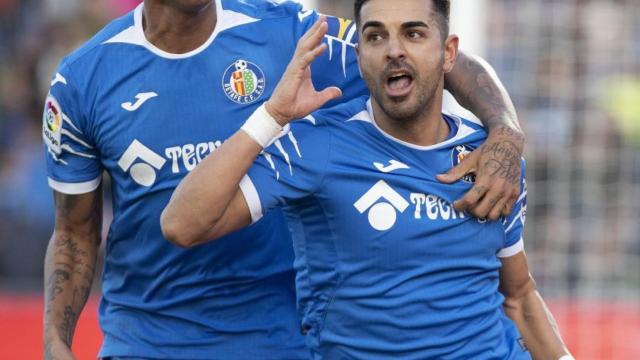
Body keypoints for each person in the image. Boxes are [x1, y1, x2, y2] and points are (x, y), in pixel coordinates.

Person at [43, 0, 525, 359]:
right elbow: (74, 231)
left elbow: (433, 54)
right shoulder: (83, 80)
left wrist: (504, 130)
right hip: (147, 338)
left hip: (278, 336)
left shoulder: (287, 32)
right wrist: (55, 342)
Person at [161, 0, 573, 359]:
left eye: (413, 34)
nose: (394, 50)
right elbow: (182, 225)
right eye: (376, 37)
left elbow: (518, 296)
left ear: (448, 54)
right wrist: (272, 116)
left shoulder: (493, 161)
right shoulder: (317, 146)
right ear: (358, 56)